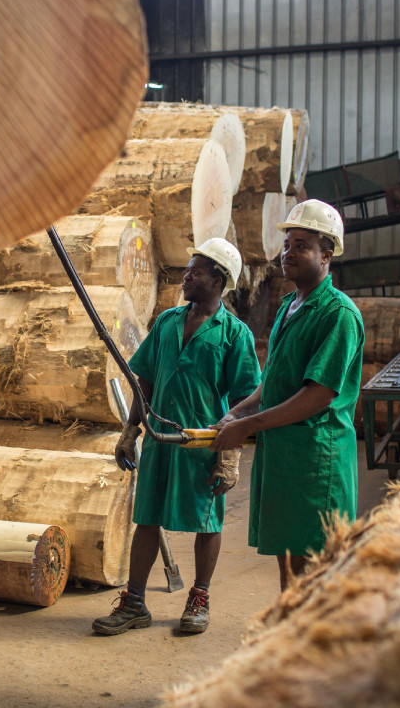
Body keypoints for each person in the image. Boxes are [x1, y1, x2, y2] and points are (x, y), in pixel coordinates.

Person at [92, 238, 261, 635]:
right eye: (188, 269)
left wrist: (230, 454)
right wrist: (130, 430)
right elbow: (145, 381)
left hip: (203, 444)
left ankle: (199, 599)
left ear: (218, 280)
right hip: (158, 440)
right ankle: (134, 603)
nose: (186, 276)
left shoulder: (234, 334)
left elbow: (245, 399)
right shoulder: (168, 321)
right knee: (147, 517)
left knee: (208, 521)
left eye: (196, 271)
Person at [210, 199, 364, 591]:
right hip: (285, 455)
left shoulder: (337, 314)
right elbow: (274, 381)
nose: (288, 253)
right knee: (289, 563)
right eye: (287, 244)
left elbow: (317, 395)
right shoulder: (289, 307)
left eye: (302, 246)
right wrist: (236, 412)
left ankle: (310, 645)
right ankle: (291, 635)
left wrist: (248, 425)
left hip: (316, 458)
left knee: (313, 567)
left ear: (327, 255)